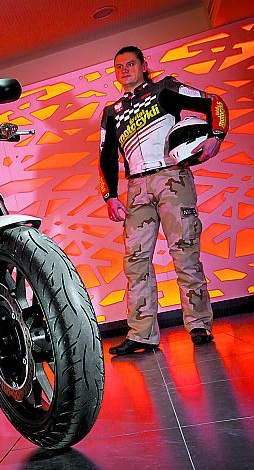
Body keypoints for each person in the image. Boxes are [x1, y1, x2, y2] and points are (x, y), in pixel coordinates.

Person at [98, 45, 229, 356]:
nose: (125, 70)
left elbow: (214, 102)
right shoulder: (111, 112)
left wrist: (217, 135)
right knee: (135, 261)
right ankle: (141, 334)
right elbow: (105, 156)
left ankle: (199, 325)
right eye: (119, 67)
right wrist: (110, 196)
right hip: (136, 187)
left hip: (173, 177)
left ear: (144, 65)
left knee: (185, 252)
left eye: (131, 64)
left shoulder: (165, 88)